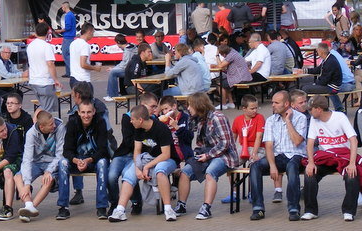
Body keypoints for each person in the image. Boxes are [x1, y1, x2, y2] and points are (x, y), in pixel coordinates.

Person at [175, 92, 240, 220]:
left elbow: (225, 143)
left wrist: (208, 156)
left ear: (199, 105)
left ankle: (206, 208)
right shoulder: (199, 118)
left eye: (190, 105)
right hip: (206, 154)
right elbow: (196, 139)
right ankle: (181, 205)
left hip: (224, 155)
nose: (188, 108)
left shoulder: (217, 117)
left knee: (210, 172)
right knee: (185, 172)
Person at [108, 104, 178, 222]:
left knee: (160, 171)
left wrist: (147, 166)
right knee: (128, 175)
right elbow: (137, 151)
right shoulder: (139, 130)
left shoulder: (161, 128)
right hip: (148, 158)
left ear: (140, 120)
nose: (130, 121)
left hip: (167, 160)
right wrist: (137, 168)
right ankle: (120, 210)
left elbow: (166, 154)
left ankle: (168, 209)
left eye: (132, 119)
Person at [247, 91, 307, 221]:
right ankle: (258, 208)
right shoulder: (270, 120)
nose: (272, 105)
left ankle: (293, 208)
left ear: (286, 104)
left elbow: (297, 141)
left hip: (296, 155)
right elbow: (269, 145)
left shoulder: (300, 118)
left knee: (292, 166)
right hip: (278, 156)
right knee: (255, 166)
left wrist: (288, 121)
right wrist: (273, 166)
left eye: (276, 102)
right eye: (272, 102)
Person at [302, 95, 360, 221]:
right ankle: (311, 210)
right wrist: (311, 163)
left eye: (310, 109)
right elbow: (310, 143)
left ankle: (348, 211)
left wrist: (352, 163)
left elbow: (353, 140)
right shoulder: (314, 120)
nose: (309, 112)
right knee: (310, 174)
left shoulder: (340, 117)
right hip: (326, 157)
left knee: (352, 175)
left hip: (342, 156)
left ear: (318, 109)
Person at [107, 92, 159, 215]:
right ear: (143, 105)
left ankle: (136, 201)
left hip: (139, 155)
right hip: (124, 153)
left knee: (127, 174)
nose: (155, 109)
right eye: (152, 106)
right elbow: (128, 141)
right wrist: (142, 134)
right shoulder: (128, 117)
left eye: (156, 106)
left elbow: (155, 142)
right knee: (111, 176)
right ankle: (114, 203)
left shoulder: (154, 119)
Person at [14, 110, 69, 222]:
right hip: (37, 162)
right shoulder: (31, 133)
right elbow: (27, 159)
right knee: (18, 177)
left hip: (52, 163)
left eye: (53, 122)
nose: (54, 125)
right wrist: (27, 184)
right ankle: (28, 205)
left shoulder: (60, 128)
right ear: (41, 127)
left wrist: (49, 171)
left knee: (48, 180)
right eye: (50, 124)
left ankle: (30, 209)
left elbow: (60, 154)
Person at [64, 99, 110, 218]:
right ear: (78, 112)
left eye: (89, 112)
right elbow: (66, 150)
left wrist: (89, 160)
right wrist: (76, 160)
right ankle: (63, 207)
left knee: (103, 163)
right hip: (76, 160)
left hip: (93, 159)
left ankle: (101, 207)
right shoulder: (72, 124)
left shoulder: (100, 122)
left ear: (94, 111)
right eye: (83, 112)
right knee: (62, 163)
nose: (86, 115)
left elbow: (103, 149)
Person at [302, 42, 354, 112]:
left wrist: (315, 83)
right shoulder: (329, 58)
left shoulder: (330, 62)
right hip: (333, 85)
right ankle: (339, 108)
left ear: (321, 51)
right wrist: (304, 71)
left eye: (317, 51)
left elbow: (324, 80)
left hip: (333, 87)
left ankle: (307, 110)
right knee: (307, 87)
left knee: (306, 88)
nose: (317, 53)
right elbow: (318, 69)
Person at [26, 22, 60, 114]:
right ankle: (38, 125)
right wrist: (56, 79)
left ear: (36, 32)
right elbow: (50, 64)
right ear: (48, 33)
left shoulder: (30, 46)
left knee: (43, 106)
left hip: (33, 81)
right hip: (45, 81)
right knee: (47, 111)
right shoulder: (47, 46)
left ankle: (36, 122)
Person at [215, 44, 253, 109]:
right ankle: (231, 102)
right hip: (244, 76)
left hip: (240, 78)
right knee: (226, 82)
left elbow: (220, 66)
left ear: (223, 54)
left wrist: (217, 56)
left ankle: (223, 104)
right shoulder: (233, 52)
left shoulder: (231, 55)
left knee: (220, 83)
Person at [0, 46, 27, 114]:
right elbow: (6, 75)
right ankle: (6, 113)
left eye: (9, 53)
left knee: (19, 93)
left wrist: (23, 73)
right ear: (1, 53)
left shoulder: (9, 61)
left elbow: (15, 71)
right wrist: (21, 75)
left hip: (6, 86)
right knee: (13, 94)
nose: (8, 54)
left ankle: (15, 111)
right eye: (6, 53)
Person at [69, 22, 102, 92]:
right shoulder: (85, 45)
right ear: (89, 32)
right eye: (93, 32)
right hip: (82, 80)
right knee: (87, 102)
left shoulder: (73, 43)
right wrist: (95, 68)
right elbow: (83, 64)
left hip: (73, 78)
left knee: (79, 102)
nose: (93, 35)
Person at [231, 95, 265, 164]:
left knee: (254, 163)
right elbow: (233, 137)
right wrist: (231, 152)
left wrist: (254, 153)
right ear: (244, 108)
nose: (255, 110)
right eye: (252, 109)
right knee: (232, 162)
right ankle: (233, 174)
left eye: (256, 108)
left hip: (257, 148)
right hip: (243, 147)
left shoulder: (260, 118)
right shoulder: (237, 120)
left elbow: (259, 137)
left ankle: (251, 172)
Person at [105, 34, 136, 101]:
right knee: (114, 71)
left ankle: (112, 95)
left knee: (113, 73)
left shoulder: (128, 51)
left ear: (118, 42)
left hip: (130, 71)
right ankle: (113, 93)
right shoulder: (132, 46)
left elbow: (125, 65)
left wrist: (113, 69)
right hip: (131, 69)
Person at [55, 2, 77, 78]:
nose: (61, 8)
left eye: (62, 7)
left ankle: (72, 72)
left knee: (65, 55)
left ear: (65, 7)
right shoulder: (72, 15)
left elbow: (68, 27)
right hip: (71, 37)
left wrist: (59, 31)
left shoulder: (68, 15)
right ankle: (68, 73)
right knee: (68, 55)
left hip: (68, 37)